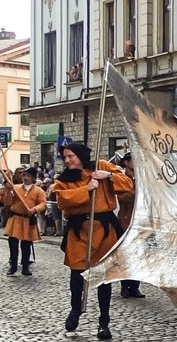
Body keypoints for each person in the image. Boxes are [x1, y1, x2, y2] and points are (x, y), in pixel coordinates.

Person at [53, 142, 133, 340]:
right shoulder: (63, 179)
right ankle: (75, 309)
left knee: (103, 278)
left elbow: (128, 184)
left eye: (71, 156)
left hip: (104, 231)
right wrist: (87, 189)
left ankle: (104, 322)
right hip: (79, 231)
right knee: (77, 275)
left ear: (80, 155)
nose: (68, 160)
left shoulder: (102, 166)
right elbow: (63, 200)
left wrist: (109, 176)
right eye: (65, 157)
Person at [1, 167, 46, 276]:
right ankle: (13, 266)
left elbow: (43, 204)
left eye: (28, 176)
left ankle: (25, 267)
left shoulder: (38, 191)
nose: (25, 178)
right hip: (16, 218)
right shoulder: (15, 188)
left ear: (33, 179)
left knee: (26, 244)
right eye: (24, 175)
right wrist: (8, 191)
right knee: (13, 243)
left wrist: (34, 209)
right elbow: (7, 203)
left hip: (27, 219)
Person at [116, 152, 145, 299]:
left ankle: (135, 286)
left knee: (139, 255)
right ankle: (124, 285)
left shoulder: (142, 178)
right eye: (133, 160)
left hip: (140, 222)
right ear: (126, 163)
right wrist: (138, 192)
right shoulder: (122, 179)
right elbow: (122, 197)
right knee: (125, 255)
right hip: (125, 221)